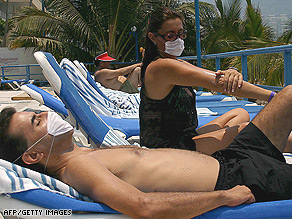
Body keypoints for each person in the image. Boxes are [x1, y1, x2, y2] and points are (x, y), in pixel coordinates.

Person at [1, 85, 292, 218]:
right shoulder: (76, 169)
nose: (47, 115)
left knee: (287, 95)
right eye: (37, 121)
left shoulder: (86, 151)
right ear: (32, 156)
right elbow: (142, 206)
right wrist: (223, 197)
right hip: (238, 177)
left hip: (234, 156)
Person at [139, 7, 284, 154]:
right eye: (170, 36)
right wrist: (275, 97)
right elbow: (218, 83)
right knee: (247, 131)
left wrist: (231, 72)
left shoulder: (175, 63)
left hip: (184, 136)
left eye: (181, 34)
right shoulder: (162, 67)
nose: (178, 40)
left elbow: (214, 76)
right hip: (166, 149)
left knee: (239, 113)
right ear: (153, 37)